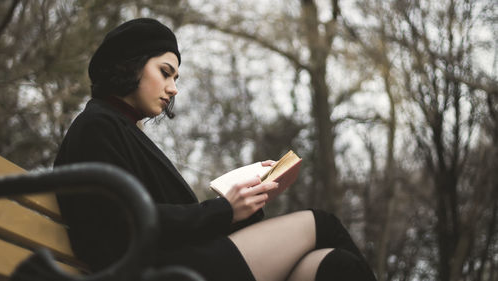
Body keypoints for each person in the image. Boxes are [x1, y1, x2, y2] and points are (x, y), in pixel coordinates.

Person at [54, 18, 377, 281]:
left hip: (178, 263)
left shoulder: (119, 129)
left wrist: (245, 200)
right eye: (165, 72)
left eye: (176, 77)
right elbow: (124, 222)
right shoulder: (96, 126)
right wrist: (226, 210)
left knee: (332, 266)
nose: (173, 88)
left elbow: (170, 220)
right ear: (129, 66)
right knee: (323, 225)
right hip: (160, 271)